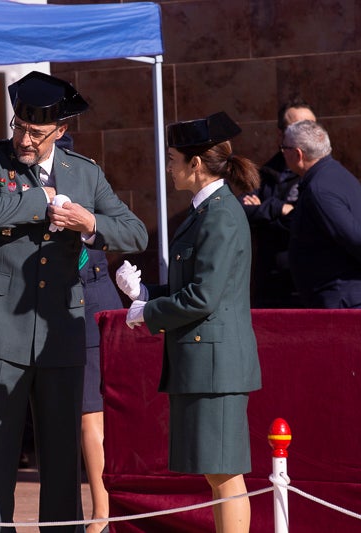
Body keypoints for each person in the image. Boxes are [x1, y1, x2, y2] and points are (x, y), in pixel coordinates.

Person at [0, 71, 148, 533]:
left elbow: (136, 232)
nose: (23, 138)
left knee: (62, 461)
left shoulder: (84, 171)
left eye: (36, 132)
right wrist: (40, 199)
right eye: (19, 125)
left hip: (60, 333)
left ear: (60, 131)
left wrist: (89, 223)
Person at [117, 112, 262, 533]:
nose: (168, 167)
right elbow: (196, 285)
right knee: (216, 473)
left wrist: (148, 313)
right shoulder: (208, 210)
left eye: (173, 158)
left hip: (215, 366)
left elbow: (204, 296)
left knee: (224, 474)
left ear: (195, 164)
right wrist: (144, 295)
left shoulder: (219, 213)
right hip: (206, 363)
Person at [282, 120, 361, 308]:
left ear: (298, 154)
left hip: (348, 301)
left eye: (284, 148)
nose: (282, 153)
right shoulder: (340, 175)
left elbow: (351, 235)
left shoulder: (318, 189)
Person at [241, 99, 316, 307]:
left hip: (308, 282)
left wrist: (265, 212)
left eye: (311, 127)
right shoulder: (267, 171)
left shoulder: (323, 175)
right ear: (281, 135)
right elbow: (242, 209)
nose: (306, 134)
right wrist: (278, 208)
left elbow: (306, 220)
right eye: (298, 128)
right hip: (271, 282)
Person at [79, 247, 119, 533]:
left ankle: (102, 514)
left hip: (93, 307)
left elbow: (132, 232)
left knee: (91, 415)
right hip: (52, 311)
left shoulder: (94, 202)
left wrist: (89, 225)